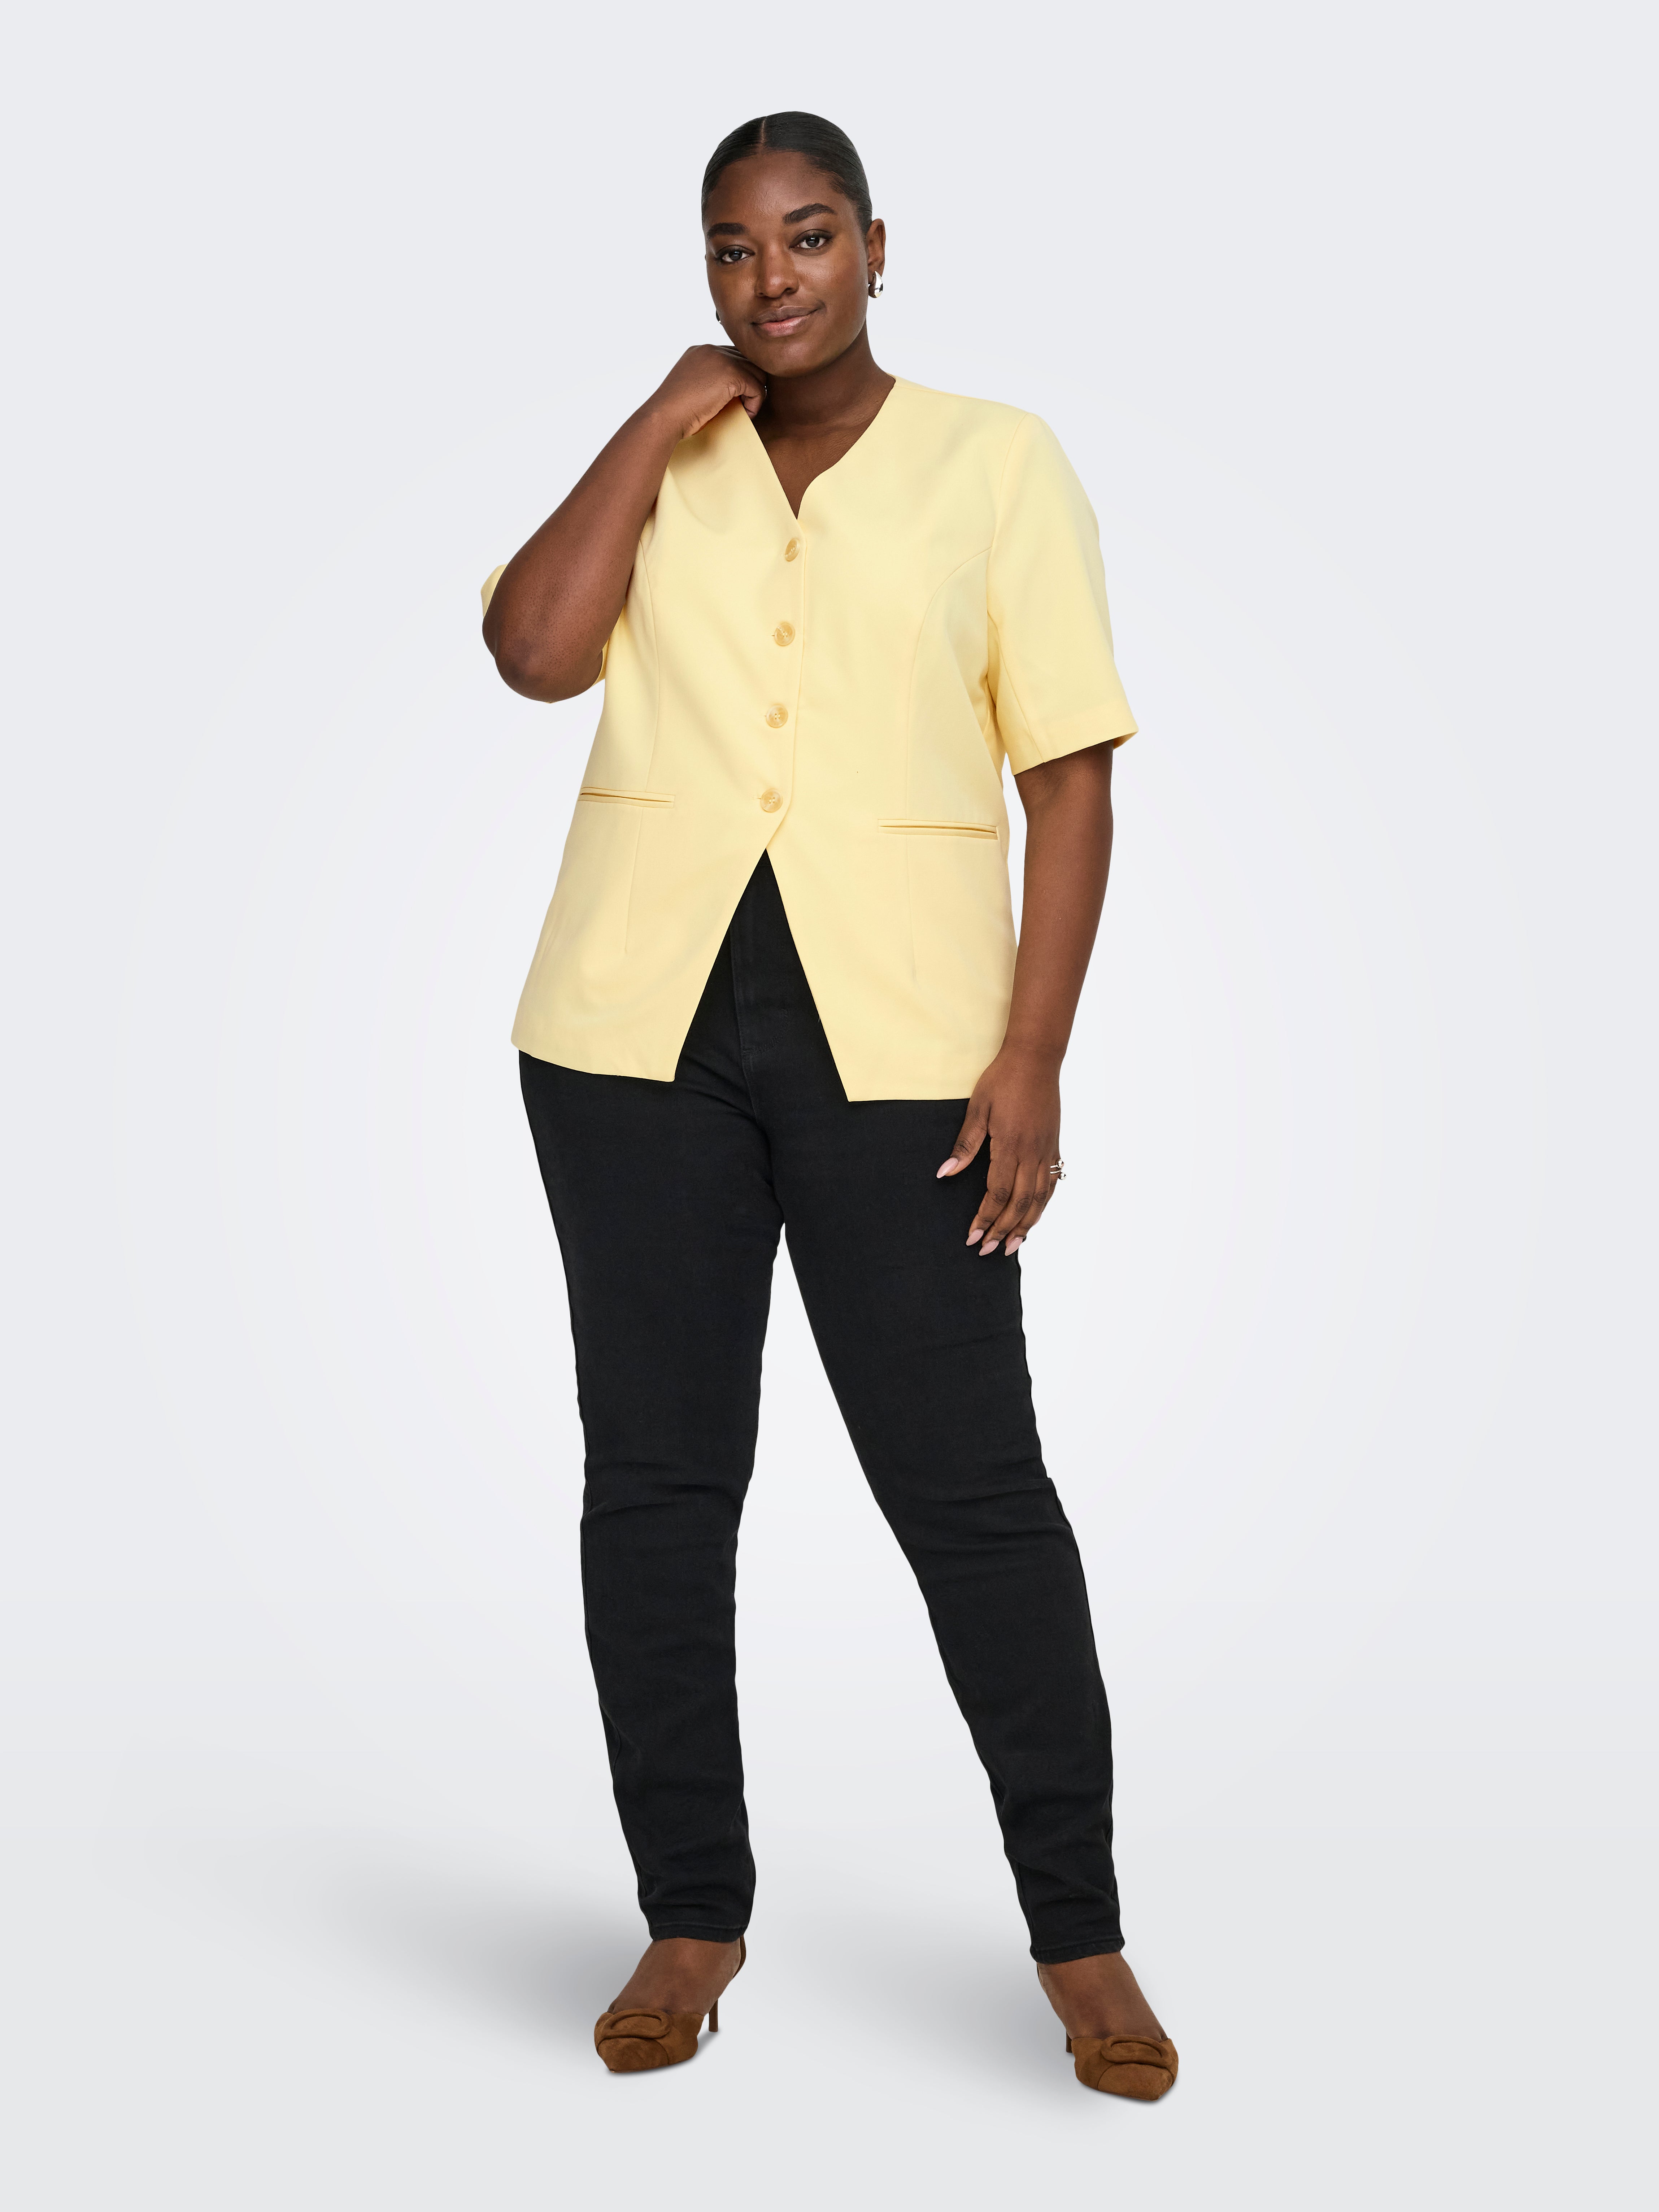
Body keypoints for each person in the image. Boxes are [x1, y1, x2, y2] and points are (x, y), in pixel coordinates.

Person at [481, 111, 1176, 2101]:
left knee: (970, 1493)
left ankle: (1081, 1941)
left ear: (876, 244)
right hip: (632, 1037)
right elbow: (533, 654)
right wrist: (657, 418)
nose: (770, 277)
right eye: (732, 248)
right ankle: (687, 1917)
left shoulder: (997, 461)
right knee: (657, 1482)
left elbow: (1068, 782)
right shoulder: (675, 457)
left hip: (910, 1057)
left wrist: (1032, 1054)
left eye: (804, 238)